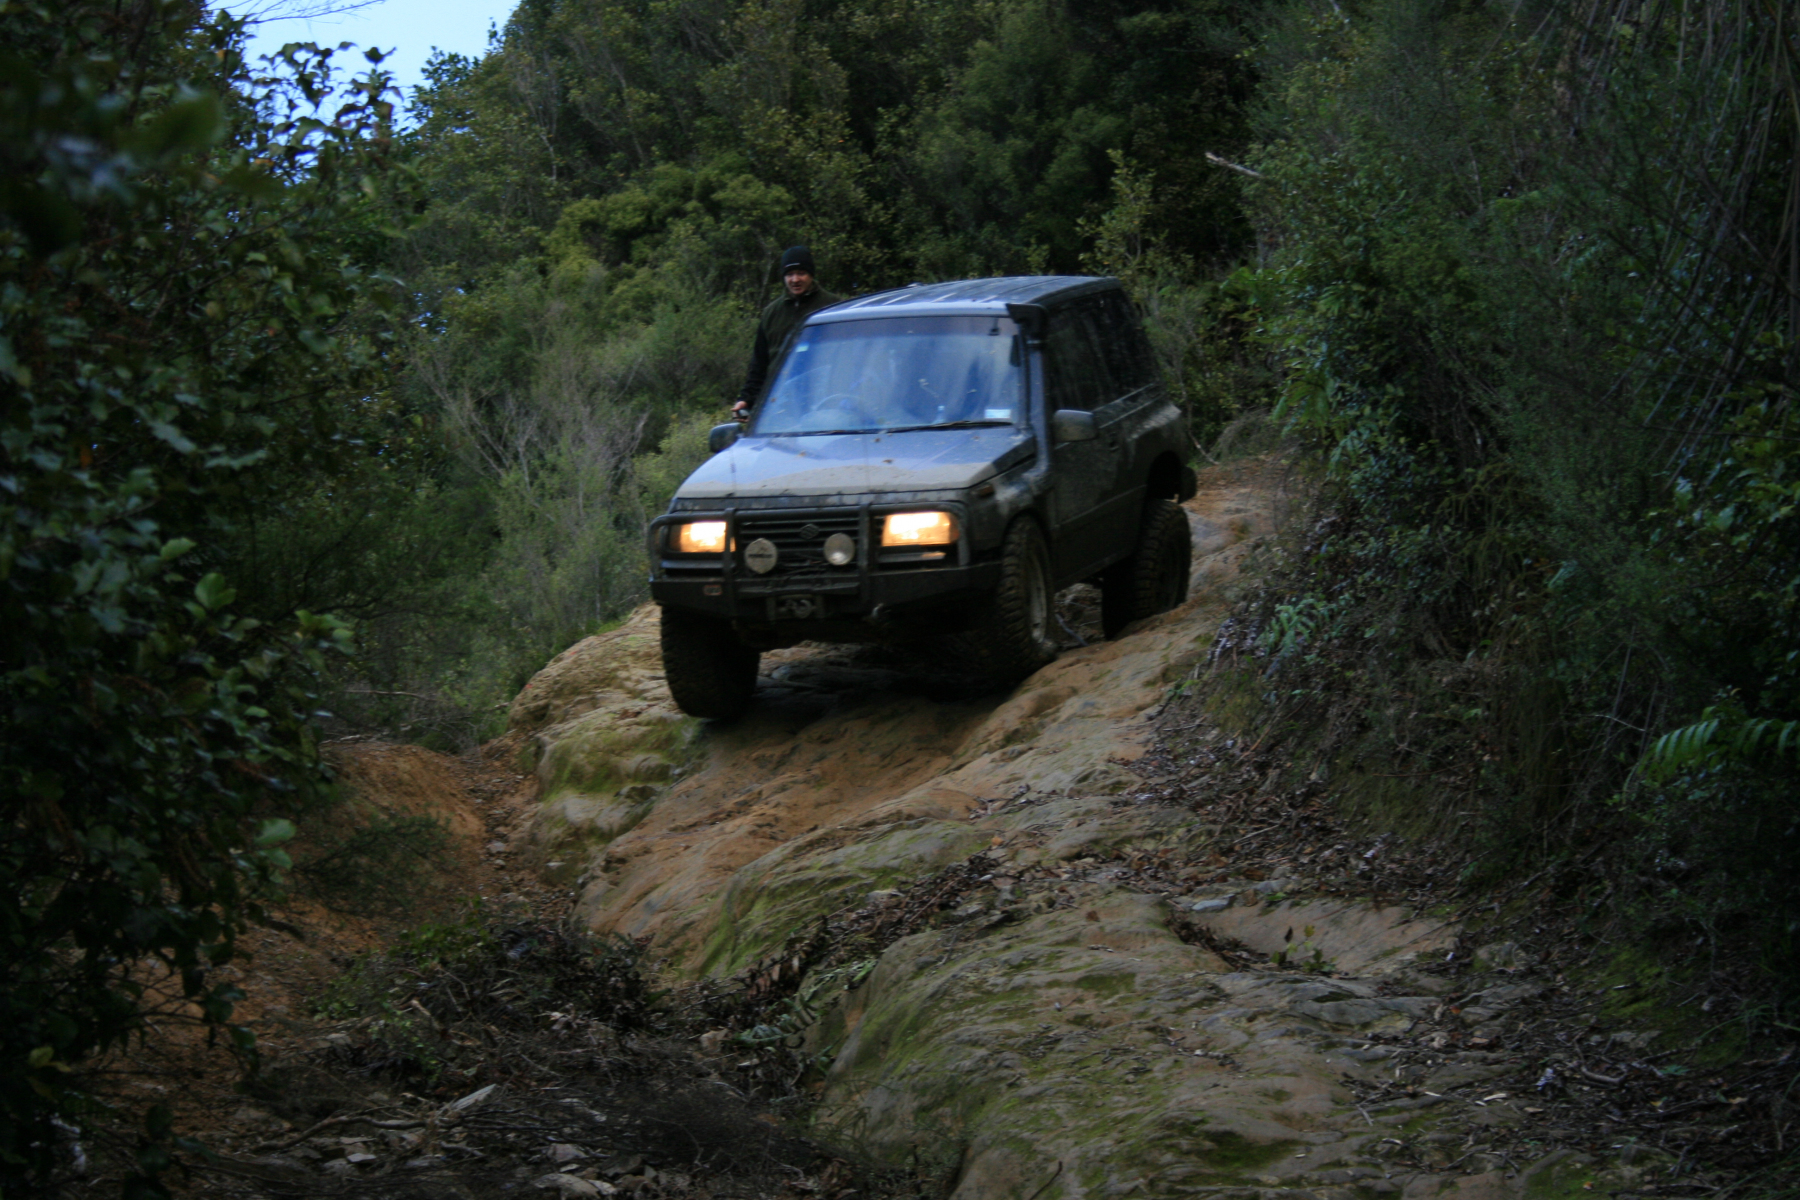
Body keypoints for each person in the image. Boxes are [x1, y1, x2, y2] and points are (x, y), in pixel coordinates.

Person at [731, 245, 841, 419]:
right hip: (779, 406)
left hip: (824, 403)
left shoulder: (834, 308)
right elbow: (759, 364)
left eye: (801, 273)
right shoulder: (771, 313)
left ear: (811, 274)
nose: (795, 280)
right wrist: (747, 399)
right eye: (789, 274)